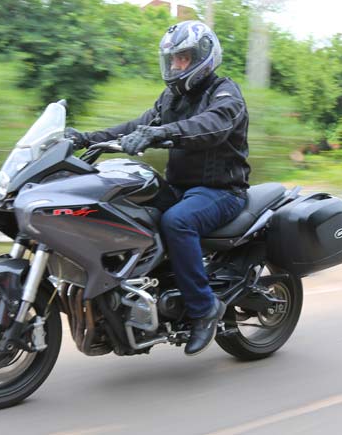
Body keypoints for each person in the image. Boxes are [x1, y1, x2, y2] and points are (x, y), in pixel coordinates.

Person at [66, 20, 251, 356]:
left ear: (204, 57)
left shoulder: (225, 93)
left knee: (177, 221)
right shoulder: (171, 98)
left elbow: (210, 125)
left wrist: (160, 133)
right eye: (173, 59)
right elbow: (136, 126)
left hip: (222, 191)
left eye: (184, 58)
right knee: (124, 210)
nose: (177, 65)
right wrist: (86, 139)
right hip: (179, 188)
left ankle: (203, 309)